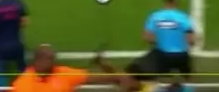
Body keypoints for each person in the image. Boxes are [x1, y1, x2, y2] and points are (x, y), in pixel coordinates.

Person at [12, 45, 154, 92]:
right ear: (37, 60)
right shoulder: (22, 84)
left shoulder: (62, 72)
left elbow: (97, 78)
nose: (53, 62)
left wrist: (120, 77)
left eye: (53, 58)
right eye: (49, 59)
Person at [143, 0, 195, 79]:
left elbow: (147, 38)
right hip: (181, 56)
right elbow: (191, 40)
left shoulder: (155, 16)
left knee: (153, 62)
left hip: (162, 56)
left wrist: (161, 41)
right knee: (188, 75)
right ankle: (187, 79)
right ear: (176, 0)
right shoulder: (183, 17)